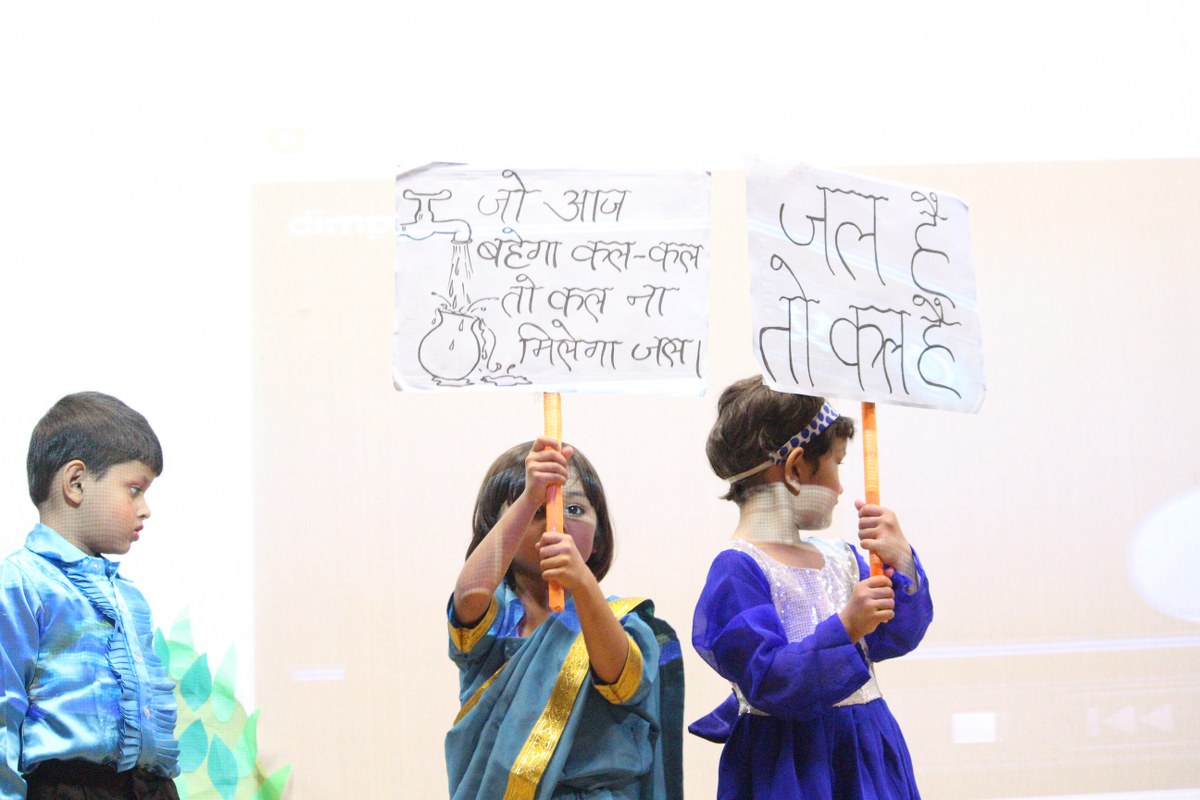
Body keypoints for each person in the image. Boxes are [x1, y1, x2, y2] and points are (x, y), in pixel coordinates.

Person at [690, 376, 933, 799]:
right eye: (836, 463)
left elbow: (897, 635)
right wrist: (846, 627)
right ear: (797, 467)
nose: (840, 487)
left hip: (865, 753)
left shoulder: (842, 557)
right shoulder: (738, 570)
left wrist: (901, 561)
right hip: (791, 768)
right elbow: (769, 681)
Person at [445, 437, 683, 800]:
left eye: (574, 508)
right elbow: (468, 593)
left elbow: (624, 684)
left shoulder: (623, 622)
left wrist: (582, 583)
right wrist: (530, 495)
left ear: (599, 537)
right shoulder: (494, 618)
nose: (556, 521)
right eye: (537, 510)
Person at [1, 392, 180, 800]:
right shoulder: (22, 582)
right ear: (77, 482)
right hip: (71, 788)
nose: (145, 508)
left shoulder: (129, 597)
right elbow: (2, 712)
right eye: (134, 489)